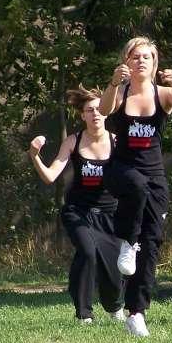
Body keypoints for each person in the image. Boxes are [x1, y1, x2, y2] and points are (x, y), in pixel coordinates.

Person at [99, 37, 172, 336]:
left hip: (155, 175)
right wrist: (113, 83)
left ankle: (136, 312)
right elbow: (104, 109)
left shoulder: (163, 94)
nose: (141, 61)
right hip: (121, 170)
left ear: (154, 64)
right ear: (126, 62)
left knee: (152, 242)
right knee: (137, 188)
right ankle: (127, 241)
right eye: (135, 56)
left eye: (146, 57)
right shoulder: (120, 92)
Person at [28, 86, 125, 323]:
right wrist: (34, 155)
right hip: (79, 212)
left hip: (110, 215)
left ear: (106, 111)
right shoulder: (73, 141)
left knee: (113, 269)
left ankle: (114, 308)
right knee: (88, 252)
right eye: (89, 110)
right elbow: (50, 176)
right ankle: (84, 314)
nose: (95, 114)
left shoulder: (118, 142)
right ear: (83, 115)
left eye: (99, 109)